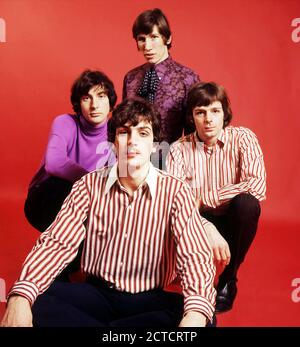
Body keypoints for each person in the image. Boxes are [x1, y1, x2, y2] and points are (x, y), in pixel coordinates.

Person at [1, 98, 216, 328]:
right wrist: (21, 297)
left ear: (154, 145)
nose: (132, 141)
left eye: (142, 133)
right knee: (31, 300)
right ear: (113, 144)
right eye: (124, 133)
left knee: (202, 315)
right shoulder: (88, 185)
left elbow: (194, 256)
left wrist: (194, 315)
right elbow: (57, 243)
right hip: (97, 295)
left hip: (148, 300)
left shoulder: (176, 191)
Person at [166, 82, 266, 313]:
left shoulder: (243, 138)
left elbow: (257, 185)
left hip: (231, 219)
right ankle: (192, 276)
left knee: (247, 203)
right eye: (200, 112)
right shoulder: (179, 149)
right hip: (195, 221)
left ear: (224, 113)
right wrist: (205, 222)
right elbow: (175, 201)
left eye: (214, 111)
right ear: (192, 117)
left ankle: (228, 280)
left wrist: (206, 197)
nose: (208, 119)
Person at [24, 70, 117, 233]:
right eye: (86, 98)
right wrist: (91, 181)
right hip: (46, 198)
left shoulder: (117, 132)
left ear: (110, 101)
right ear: (78, 104)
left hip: (88, 204)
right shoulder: (65, 122)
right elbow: (54, 163)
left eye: (101, 96)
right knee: (64, 186)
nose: (94, 105)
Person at [123, 8, 200, 168]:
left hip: (172, 163)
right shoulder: (131, 78)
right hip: (133, 163)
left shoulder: (187, 77)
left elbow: (195, 133)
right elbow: (123, 125)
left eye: (154, 37)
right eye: (142, 39)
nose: (147, 46)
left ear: (167, 38)